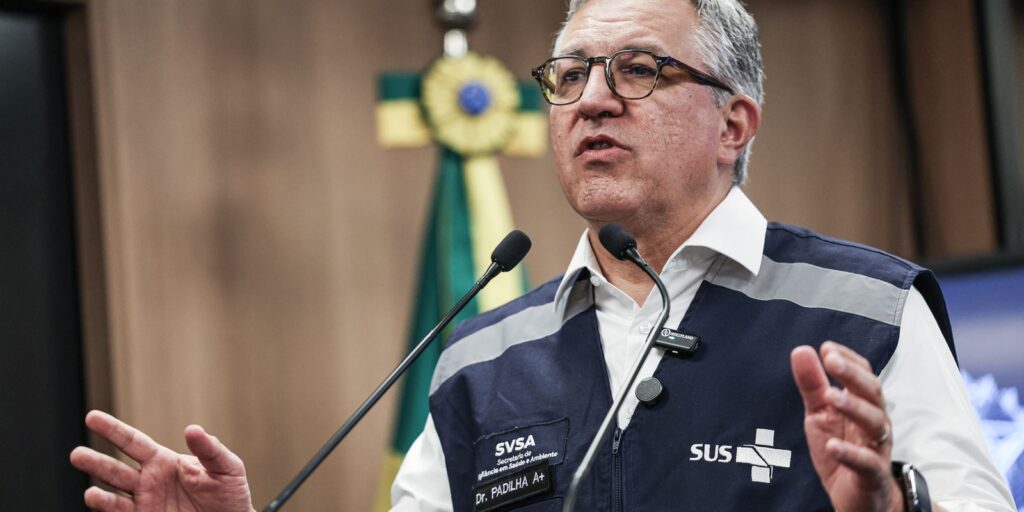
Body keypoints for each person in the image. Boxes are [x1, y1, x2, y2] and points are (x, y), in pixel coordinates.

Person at [71, 0, 1016, 511]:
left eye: (639, 69)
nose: (592, 100)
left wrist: (889, 508)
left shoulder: (868, 310)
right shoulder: (480, 355)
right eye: (569, 76)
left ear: (735, 122)